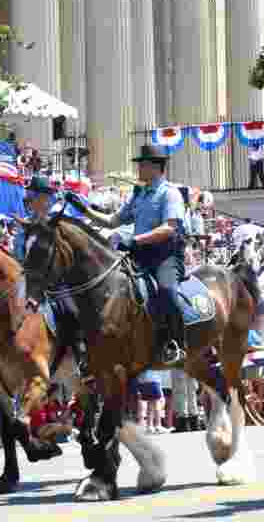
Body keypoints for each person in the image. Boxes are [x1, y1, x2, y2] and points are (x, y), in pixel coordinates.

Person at [66, 144, 187, 364]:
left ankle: (175, 342)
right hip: (138, 253)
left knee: (167, 291)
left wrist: (134, 240)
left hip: (164, 256)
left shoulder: (170, 194)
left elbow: (170, 228)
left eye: (142, 164)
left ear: (155, 167)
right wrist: (83, 209)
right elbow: (113, 220)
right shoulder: (139, 194)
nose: (139, 168)